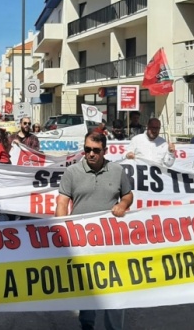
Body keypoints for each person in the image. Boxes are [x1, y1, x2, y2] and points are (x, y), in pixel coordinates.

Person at [55, 132, 132, 330]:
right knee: (88, 289)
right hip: (83, 242)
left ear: (104, 151)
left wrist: (123, 204)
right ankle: (87, 324)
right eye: (87, 149)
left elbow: (128, 195)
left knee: (115, 289)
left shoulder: (117, 171)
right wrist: (61, 230)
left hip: (111, 241)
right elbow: (62, 202)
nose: (90, 154)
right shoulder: (72, 172)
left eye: (96, 151)